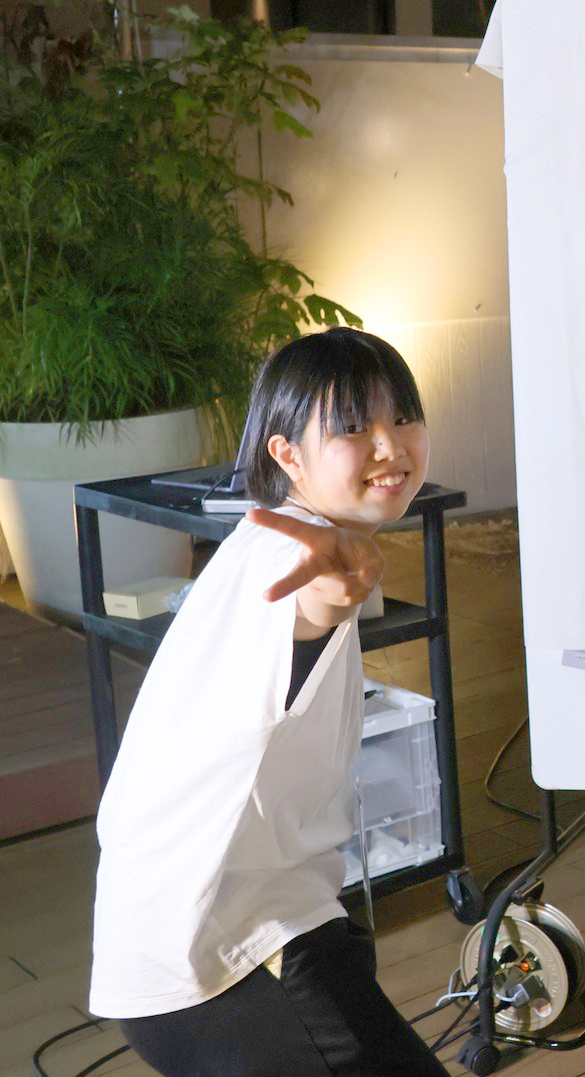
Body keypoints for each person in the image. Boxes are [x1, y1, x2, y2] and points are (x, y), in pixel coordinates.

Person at [89, 328, 444, 1076]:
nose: (390, 445)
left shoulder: (270, 543)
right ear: (287, 455)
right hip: (224, 954)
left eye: (403, 416)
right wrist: (329, 598)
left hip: (209, 929)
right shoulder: (288, 556)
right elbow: (301, 612)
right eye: (353, 426)